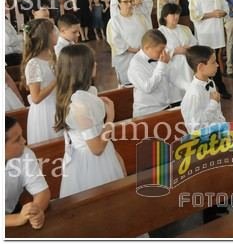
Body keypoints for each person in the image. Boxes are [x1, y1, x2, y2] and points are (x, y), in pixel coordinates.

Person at [54, 45, 126, 197]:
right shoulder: (80, 105)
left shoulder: (81, 95)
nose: (96, 64)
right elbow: (97, 148)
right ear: (83, 69)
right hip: (91, 164)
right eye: (93, 62)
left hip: (97, 154)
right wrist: (110, 118)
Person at [189, 0, 232, 99]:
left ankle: (217, 87)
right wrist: (212, 14)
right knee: (207, 61)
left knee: (214, 59)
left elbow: (226, 7)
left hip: (217, 32)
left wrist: (223, 13)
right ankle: (214, 88)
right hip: (205, 34)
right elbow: (194, 16)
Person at [5, 116, 50, 229]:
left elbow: (41, 192)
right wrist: (16, 219)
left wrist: (36, 212)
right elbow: (18, 219)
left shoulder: (25, 154)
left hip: (12, 211)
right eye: (17, 139)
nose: (24, 141)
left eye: (22, 135)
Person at [22, 19, 60, 144]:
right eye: (53, 31)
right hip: (45, 111)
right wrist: (57, 79)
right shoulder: (34, 64)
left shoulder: (52, 56)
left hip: (58, 103)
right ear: (45, 36)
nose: (57, 33)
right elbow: (36, 98)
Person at [129, 30, 180, 118]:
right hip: (147, 112)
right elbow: (147, 87)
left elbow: (173, 78)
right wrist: (161, 66)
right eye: (160, 50)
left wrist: (189, 88)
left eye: (164, 49)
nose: (163, 53)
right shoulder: (135, 64)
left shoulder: (160, 57)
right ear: (147, 48)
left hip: (166, 106)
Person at [181, 45, 226, 134]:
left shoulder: (210, 83)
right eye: (213, 62)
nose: (217, 65)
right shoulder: (194, 93)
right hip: (204, 138)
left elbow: (217, 113)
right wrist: (213, 104)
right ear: (201, 67)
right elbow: (195, 126)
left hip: (219, 132)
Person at [106, 0, 149, 86]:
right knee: (128, 83)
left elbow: (147, 33)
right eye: (125, 2)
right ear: (119, 4)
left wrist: (144, 48)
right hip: (125, 58)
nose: (129, 4)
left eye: (131, 1)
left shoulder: (140, 18)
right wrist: (133, 49)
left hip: (142, 55)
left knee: (142, 81)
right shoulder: (114, 21)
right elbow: (114, 40)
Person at [158, 3, 197, 93]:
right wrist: (175, 51)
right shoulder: (160, 32)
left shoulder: (185, 28)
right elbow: (159, 52)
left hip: (188, 65)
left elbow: (194, 44)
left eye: (177, 14)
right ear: (165, 16)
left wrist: (188, 48)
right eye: (172, 14)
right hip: (173, 66)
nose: (176, 16)